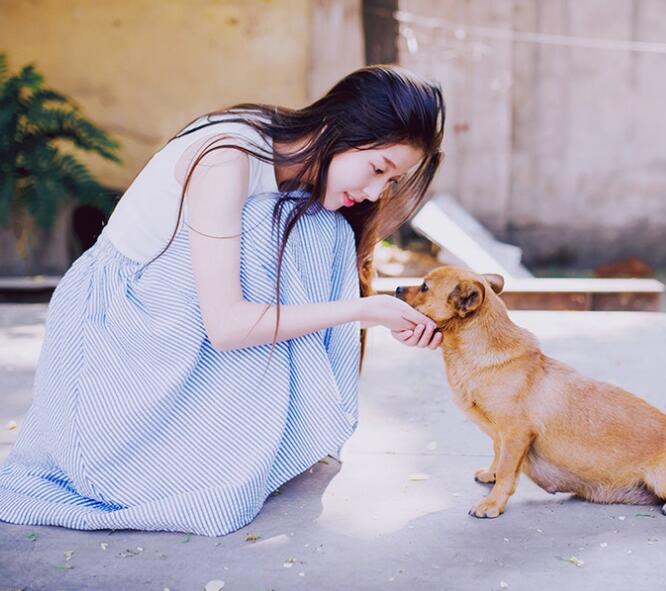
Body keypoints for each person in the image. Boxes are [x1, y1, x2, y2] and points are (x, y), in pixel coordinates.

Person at [0, 65, 445, 536]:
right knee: (283, 224)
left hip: (176, 307)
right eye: (377, 168)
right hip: (117, 322)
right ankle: (202, 443)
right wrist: (361, 311)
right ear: (338, 128)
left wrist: (379, 312)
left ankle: (285, 430)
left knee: (322, 226)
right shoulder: (228, 158)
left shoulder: (295, 166)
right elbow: (227, 326)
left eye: (391, 182)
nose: (376, 191)